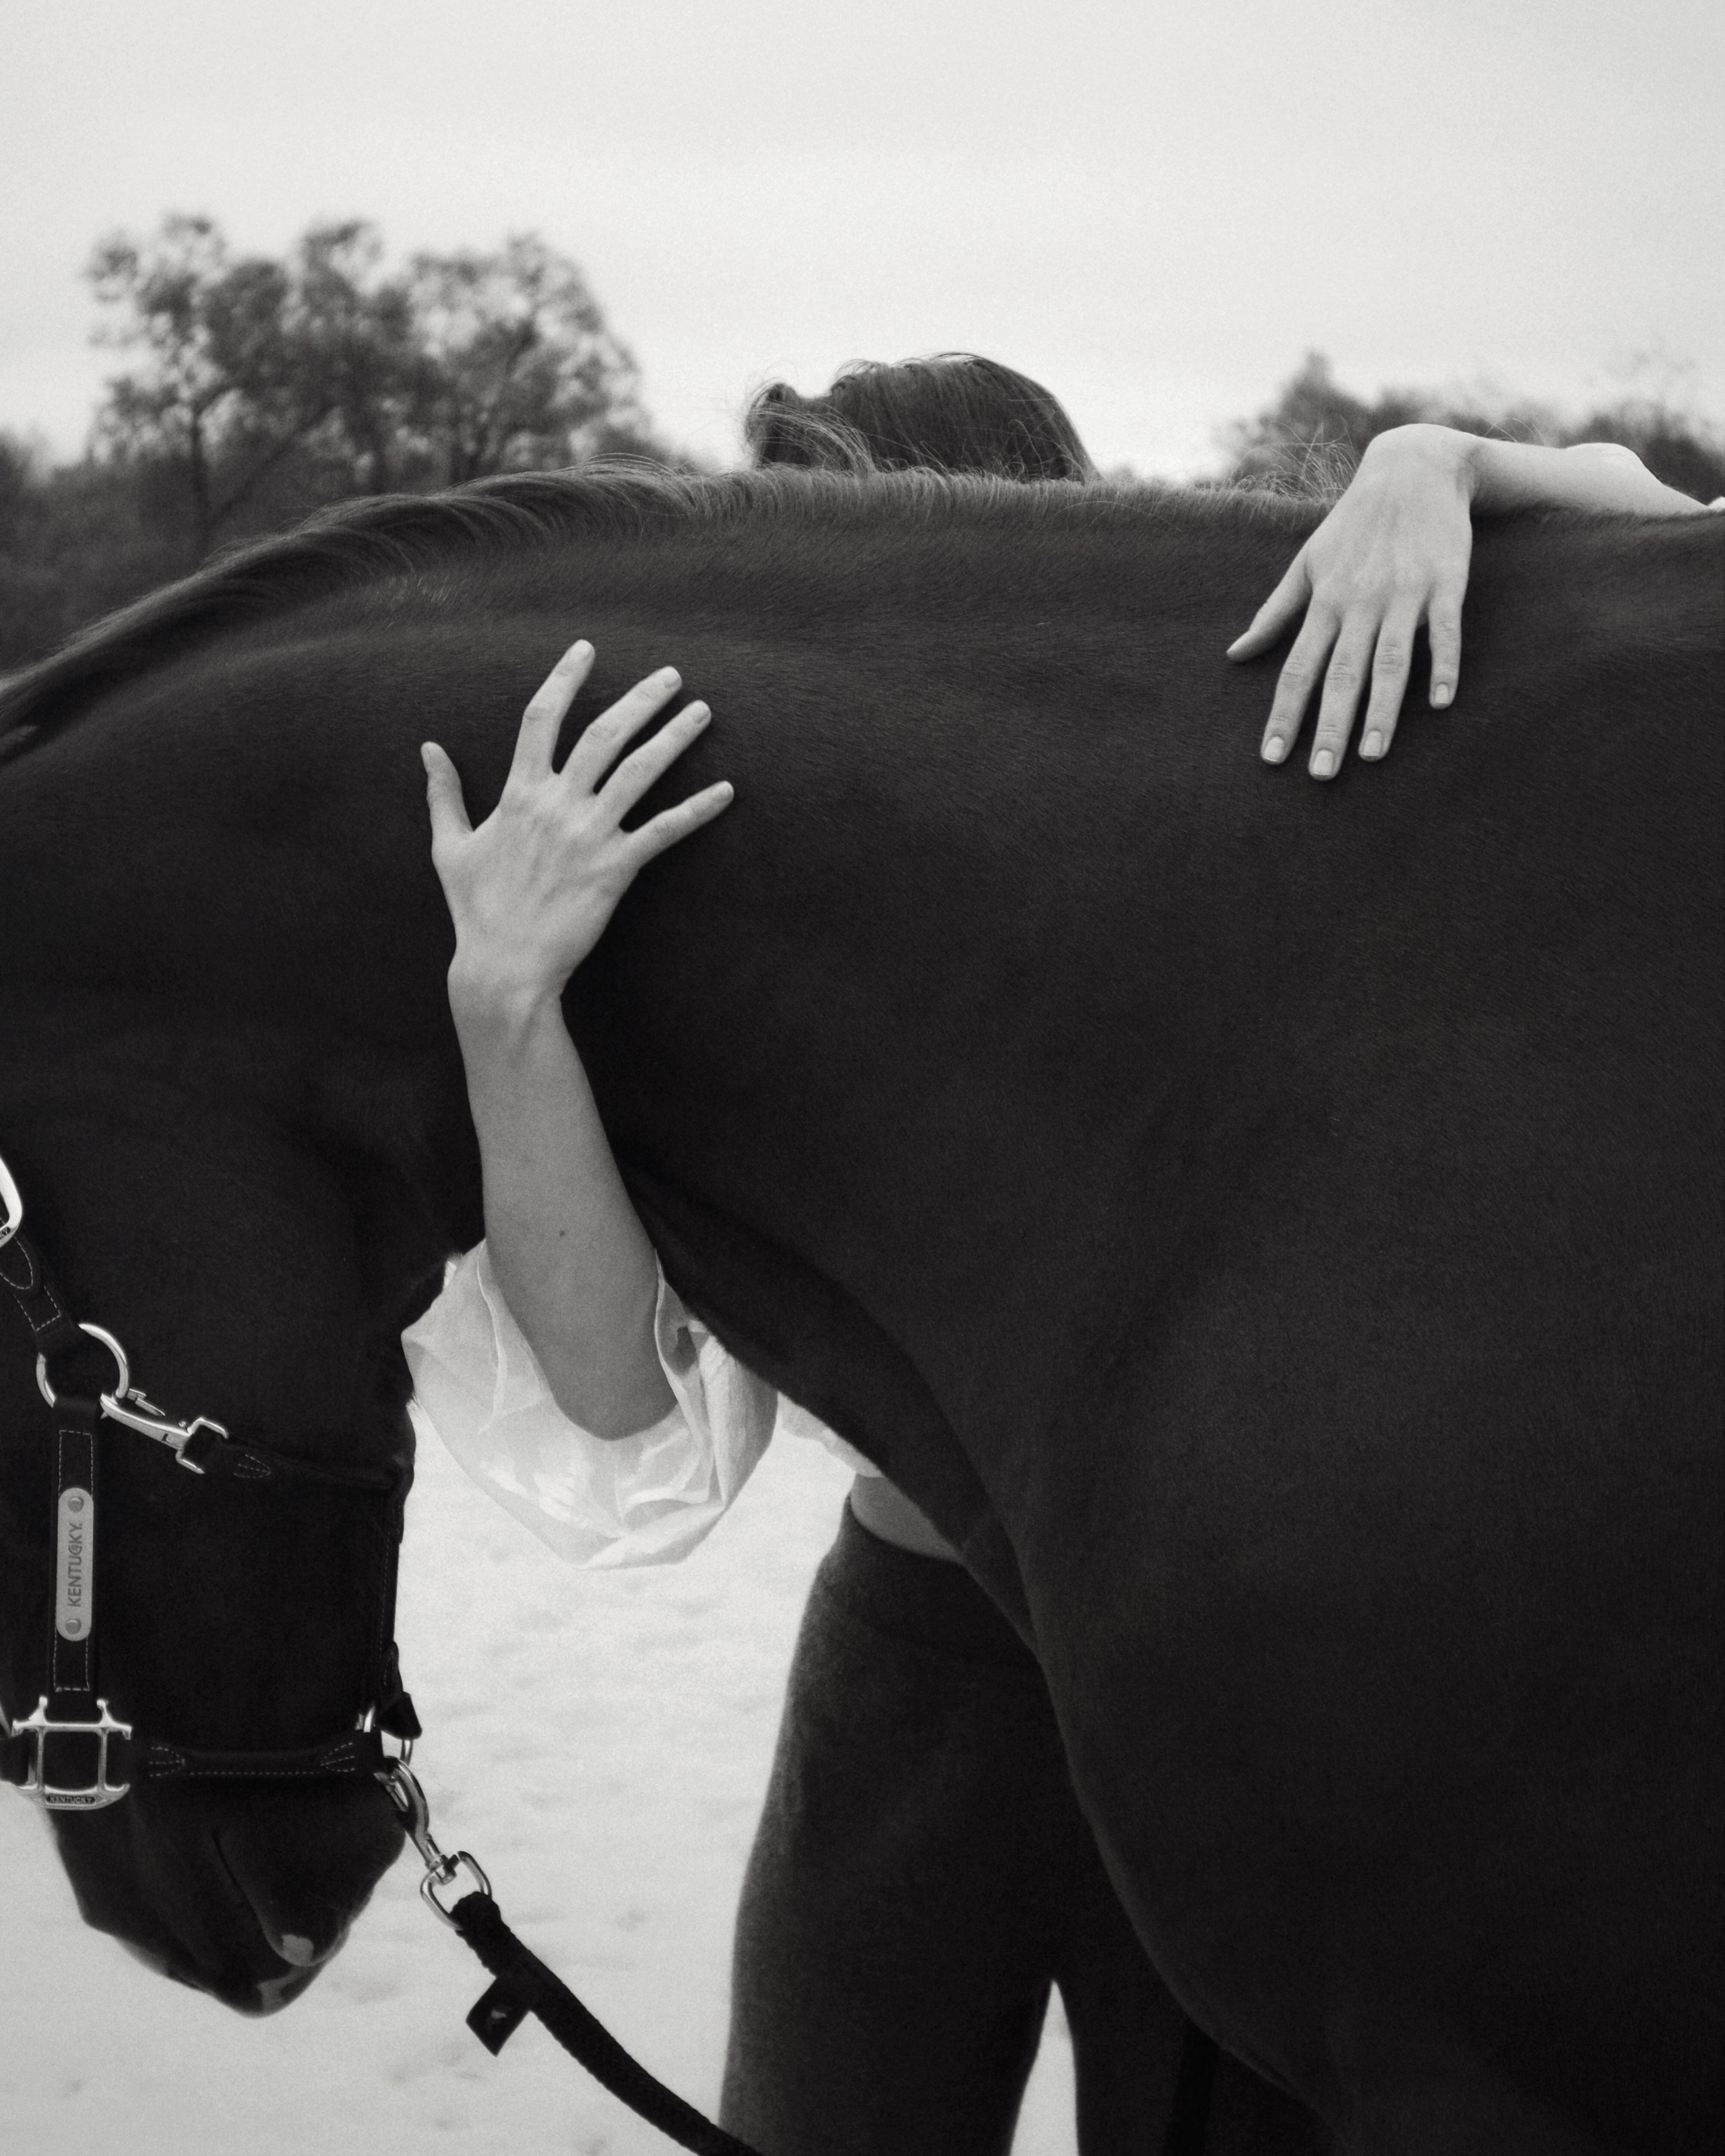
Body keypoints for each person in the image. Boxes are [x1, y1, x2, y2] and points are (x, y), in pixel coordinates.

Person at [404, 363, 1714, 2155]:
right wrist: (508, 1010)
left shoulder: (1253, 752)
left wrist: (1455, 460)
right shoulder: (753, 911)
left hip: (1252, 1676)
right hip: (923, 1660)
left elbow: (1683, 578)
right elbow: (624, 1389)